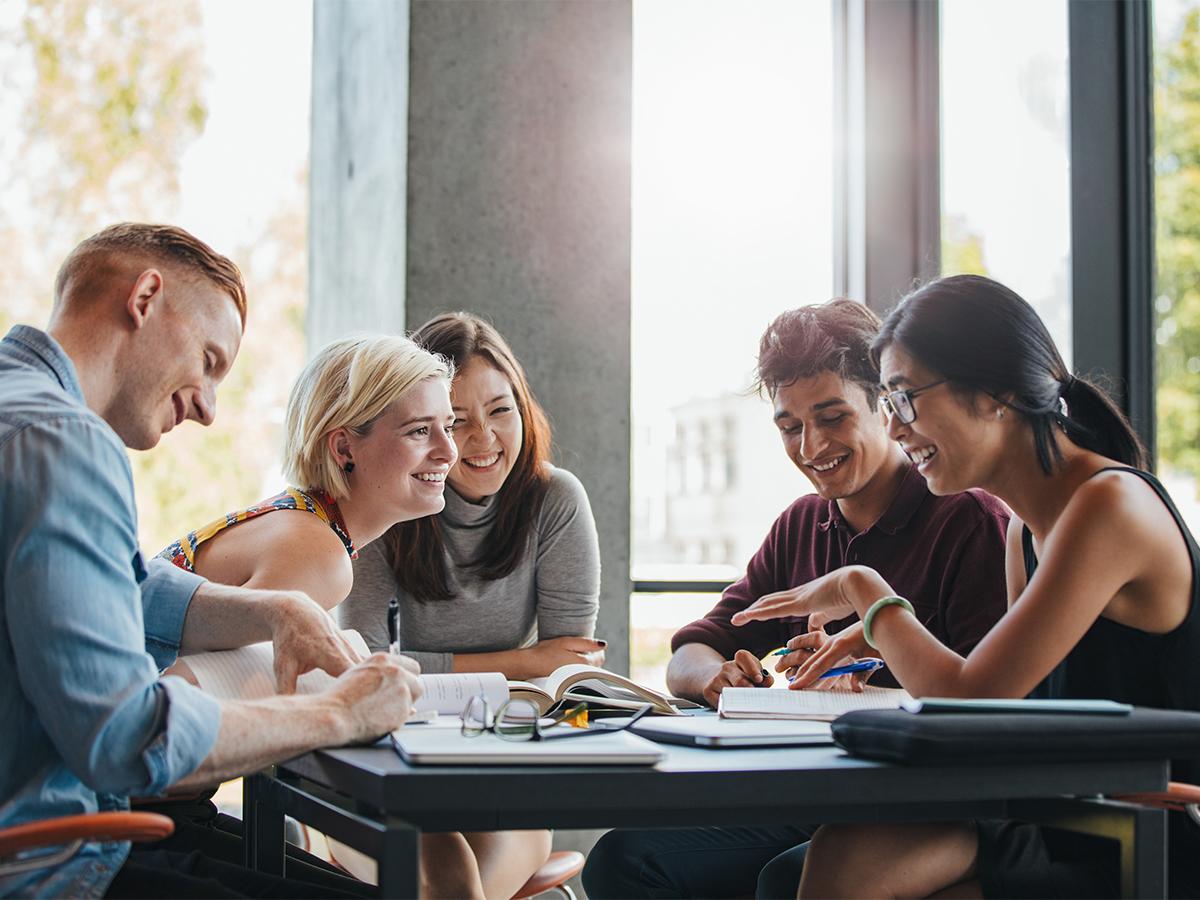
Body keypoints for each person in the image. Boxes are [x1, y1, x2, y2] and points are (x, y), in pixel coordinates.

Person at [732, 274, 1200, 899]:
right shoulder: (1025, 533)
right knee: (835, 854)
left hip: (1152, 831)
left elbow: (972, 700)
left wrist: (867, 593)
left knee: (845, 863)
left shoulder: (1108, 506)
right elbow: (1000, 718)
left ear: (994, 392)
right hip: (1070, 813)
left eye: (904, 399)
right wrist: (879, 642)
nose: (896, 430)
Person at [0, 223, 420, 899]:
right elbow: (128, 737)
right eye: (209, 360)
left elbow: (111, 590)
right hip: (53, 863)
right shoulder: (63, 440)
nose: (206, 408)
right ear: (145, 298)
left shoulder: (20, 416)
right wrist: (340, 712)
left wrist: (275, 609)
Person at [583, 298, 1010, 899]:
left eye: (832, 418)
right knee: (623, 860)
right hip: (819, 797)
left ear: (884, 407)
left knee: (789, 880)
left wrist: (867, 689)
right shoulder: (802, 524)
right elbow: (692, 650)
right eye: (789, 427)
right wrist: (717, 679)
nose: (811, 447)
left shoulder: (967, 518)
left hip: (930, 806)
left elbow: (983, 708)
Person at [338, 311, 603, 896]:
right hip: (392, 766)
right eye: (455, 421)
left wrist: (528, 667)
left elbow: (566, 676)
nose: (482, 440)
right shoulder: (382, 505)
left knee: (457, 888)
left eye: (500, 410)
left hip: (504, 767)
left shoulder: (555, 500)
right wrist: (522, 661)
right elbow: (364, 672)